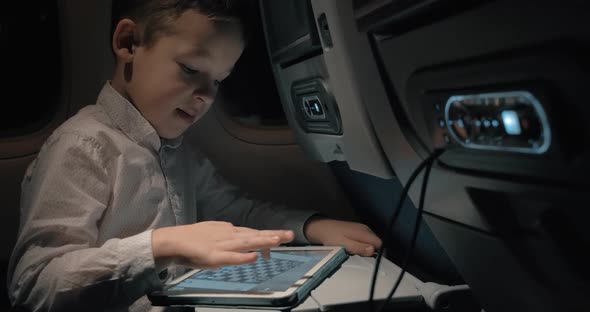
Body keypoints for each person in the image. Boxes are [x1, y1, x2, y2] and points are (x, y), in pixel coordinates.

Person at [7, 0, 382, 311]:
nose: (207, 95)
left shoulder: (178, 153)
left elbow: (238, 212)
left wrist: (311, 226)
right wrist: (163, 247)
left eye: (218, 79)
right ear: (128, 43)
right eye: (190, 69)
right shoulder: (82, 146)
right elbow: (35, 283)